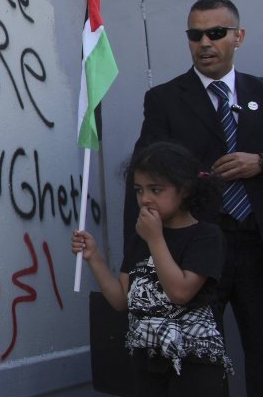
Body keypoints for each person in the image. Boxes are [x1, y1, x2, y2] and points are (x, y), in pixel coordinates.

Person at [122, 0, 263, 395]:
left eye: (216, 33)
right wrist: (132, 258)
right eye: (195, 34)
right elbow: (144, 174)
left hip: (255, 242)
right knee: (198, 359)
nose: (205, 42)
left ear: (238, 36)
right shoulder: (165, 100)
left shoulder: (259, 92)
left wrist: (260, 162)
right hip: (195, 250)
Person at [74, 142, 232, 396]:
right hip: (147, 359)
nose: (145, 199)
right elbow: (120, 299)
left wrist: (155, 239)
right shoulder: (141, 237)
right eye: (139, 190)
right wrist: (94, 257)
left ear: (185, 190)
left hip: (193, 362)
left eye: (156, 190)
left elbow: (180, 292)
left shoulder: (205, 236)